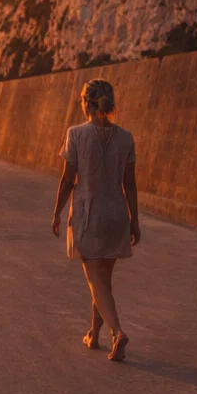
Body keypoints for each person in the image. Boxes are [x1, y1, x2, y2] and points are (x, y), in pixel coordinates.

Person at [51, 79, 141, 361]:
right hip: (116, 214)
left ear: (87, 103)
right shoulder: (126, 138)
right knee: (103, 280)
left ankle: (118, 332)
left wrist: (56, 212)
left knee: (94, 280)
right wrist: (134, 220)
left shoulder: (76, 134)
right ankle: (94, 334)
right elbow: (131, 185)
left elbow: (67, 180)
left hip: (89, 213)